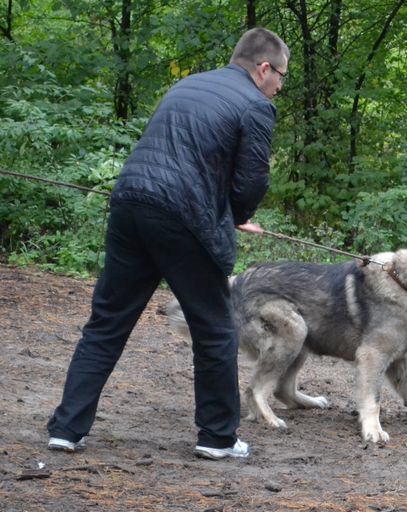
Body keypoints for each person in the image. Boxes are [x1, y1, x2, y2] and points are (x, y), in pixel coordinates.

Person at [45, 27, 289, 460]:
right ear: (263, 67)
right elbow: (252, 180)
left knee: (106, 323)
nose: (280, 87)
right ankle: (217, 438)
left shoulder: (189, 83)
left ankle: (66, 429)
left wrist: (223, 211)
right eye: (281, 77)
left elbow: (179, 152)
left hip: (130, 204)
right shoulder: (256, 104)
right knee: (215, 329)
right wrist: (236, 215)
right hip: (182, 216)